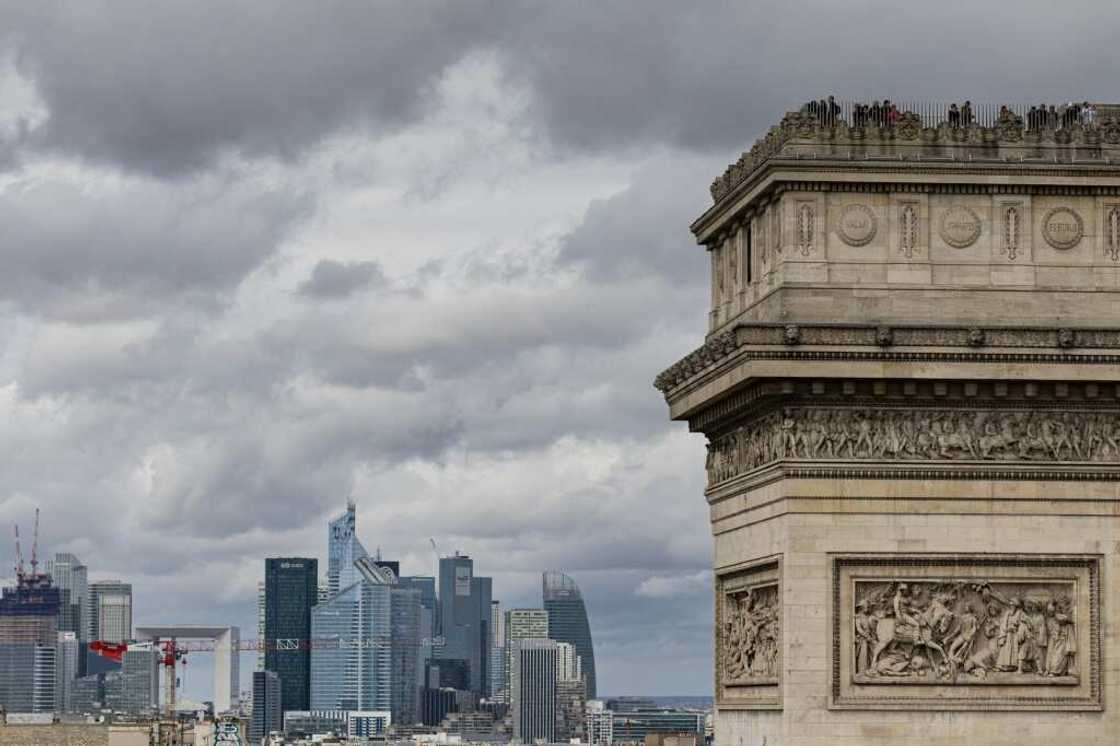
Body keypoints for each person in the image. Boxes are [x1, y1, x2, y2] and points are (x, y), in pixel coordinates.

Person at [854, 599, 877, 674]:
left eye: (868, 607)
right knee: (864, 653)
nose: (867, 608)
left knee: (874, 651)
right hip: (863, 638)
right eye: (866, 607)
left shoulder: (869, 616)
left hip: (870, 637)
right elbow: (858, 629)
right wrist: (866, 636)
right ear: (861, 608)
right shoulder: (858, 617)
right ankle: (862, 670)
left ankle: (872, 669)